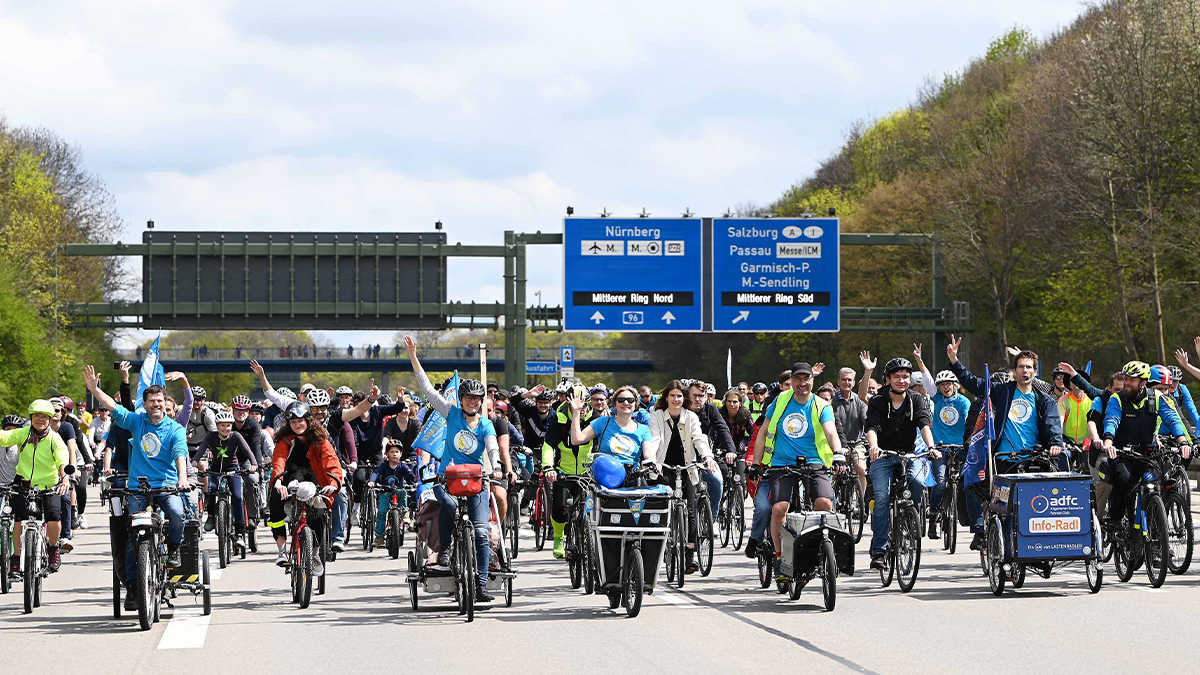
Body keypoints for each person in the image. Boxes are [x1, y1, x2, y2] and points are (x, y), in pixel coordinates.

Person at [82, 366, 189, 612]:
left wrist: (182, 478)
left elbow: (180, 453)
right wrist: (94, 390)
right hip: (137, 488)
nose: (156, 404)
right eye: (151, 401)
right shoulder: (136, 421)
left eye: (160, 400)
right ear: (144, 403)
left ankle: (173, 547)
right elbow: (112, 407)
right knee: (133, 538)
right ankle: (132, 586)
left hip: (166, 486)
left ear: (165, 403)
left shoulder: (175, 429)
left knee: (176, 513)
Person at [946, 336, 1063, 550]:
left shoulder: (1043, 400)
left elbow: (1053, 425)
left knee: (1041, 505)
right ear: (1015, 370)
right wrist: (954, 362)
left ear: (1035, 372)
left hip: (1034, 459)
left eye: (1029, 367)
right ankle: (1002, 548)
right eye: (1020, 367)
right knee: (1004, 507)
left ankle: (1040, 546)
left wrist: (1055, 444)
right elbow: (975, 384)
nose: (1025, 371)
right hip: (1003, 460)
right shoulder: (1002, 391)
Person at [406, 336, 498, 602]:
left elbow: (492, 447)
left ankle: (481, 585)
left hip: (476, 480)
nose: (472, 402)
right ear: (461, 399)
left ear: (481, 401)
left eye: (477, 399)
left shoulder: (486, 424)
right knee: (448, 506)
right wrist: (414, 356)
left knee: (481, 532)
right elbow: (427, 390)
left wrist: (498, 466)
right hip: (448, 478)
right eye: (468, 398)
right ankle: (445, 549)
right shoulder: (451, 413)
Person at [750, 363, 842, 579]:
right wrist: (755, 464)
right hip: (782, 463)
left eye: (806, 379)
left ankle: (821, 550)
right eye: (798, 379)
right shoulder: (779, 402)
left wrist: (837, 453)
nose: (802, 383)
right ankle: (781, 558)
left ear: (813, 380)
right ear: (791, 381)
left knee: (824, 504)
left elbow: (830, 432)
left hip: (814, 462)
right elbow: (763, 433)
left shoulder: (821, 405)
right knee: (780, 508)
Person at [864, 357, 940, 570]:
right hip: (883, 456)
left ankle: (908, 520)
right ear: (888, 379)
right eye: (896, 376)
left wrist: (931, 447)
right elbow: (871, 427)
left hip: (909, 454)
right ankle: (879, 550)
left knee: (917, 480)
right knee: (881, 498)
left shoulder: (916, 399)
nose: (902, 380)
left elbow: (924, 423)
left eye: (905, 376)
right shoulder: (879, 401)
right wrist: (874, 447)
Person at [1101, 361, 1191, 528]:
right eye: (1126, 378)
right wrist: (1108, 441)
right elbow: (1111, 419)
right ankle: (1117, 520)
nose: (1126, 383)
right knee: (1124, 479)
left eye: (1131, 380)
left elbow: (1173, 419)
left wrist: (1183, 441)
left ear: (1143, 383)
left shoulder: (1156, 397)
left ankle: (1157, 535)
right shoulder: (1117, 398)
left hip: (1149, 454)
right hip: (1122, 453)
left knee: (1155, 488)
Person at [649, 380, 717, 573]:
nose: (676, 399)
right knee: (661, 506)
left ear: (683, 398)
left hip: (687, 466)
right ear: (666, 398)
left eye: (680, 396)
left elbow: (699, 438)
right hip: (664, 466)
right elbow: (654, 438)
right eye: (672, 396)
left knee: (690, 510)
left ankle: (689, 555)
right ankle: (660, 547)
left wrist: (707, 456)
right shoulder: (658, 416)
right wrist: (652, 458)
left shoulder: (691, 417)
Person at [267, 401, 343, 574]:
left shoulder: (320, 438)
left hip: (315, 479)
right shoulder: (285, 439)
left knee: (317, 512)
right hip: (289, 478)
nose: (297, 425)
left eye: (300, 421)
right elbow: (279, 460)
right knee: (275, 500)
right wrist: (278, 482)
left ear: (308, 420)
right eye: (293, 422)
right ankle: (282, 551)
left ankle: (314, 553)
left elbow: (331, 461)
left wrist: (333, 483)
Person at [3, 400, 69, 576]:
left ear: (49, 419)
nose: (40, 419)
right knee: (19, 518)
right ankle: (16, 558)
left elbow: (62, 459)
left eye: (44, 416)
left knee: (54, 516)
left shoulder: (55, 438)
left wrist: (65, 478)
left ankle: (53, 549)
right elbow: (5, 438)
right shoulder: (22, 433)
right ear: (31, 417)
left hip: (50, 484)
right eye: (37, 416)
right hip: (24, 482)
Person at [542, 382, 597, 559]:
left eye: (583, 406)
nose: (579, 410)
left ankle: (591, 537)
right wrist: (548, 467)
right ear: (567, 403)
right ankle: (558, 537)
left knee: (593, 507)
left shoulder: (595, 419)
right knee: (559, 504)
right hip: (563, 470)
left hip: (587, 472)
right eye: (574, 406)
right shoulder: (558, 420)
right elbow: (548, 446)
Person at [193, 411, 258, 544]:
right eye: (222, 425)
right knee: (211, 489)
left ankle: (240, 532)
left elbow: (248, 451)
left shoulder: (236, 436)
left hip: (232, 469)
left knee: (238, 496)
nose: (225, 428)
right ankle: (211, 516)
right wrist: (194, 465)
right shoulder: (210, 436)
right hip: (215, 469)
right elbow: (199, 453)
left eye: (228, 425)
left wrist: (254, 464)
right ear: (217, 426)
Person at [569, 385, 655, 474]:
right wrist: (576, 412)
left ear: (635, 404)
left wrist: (653, 463)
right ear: (615, 404)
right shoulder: (602, 422)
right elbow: (576, 440)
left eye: (630, 400)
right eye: (621, 400)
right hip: (605, 477)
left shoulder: (643, 429)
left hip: (632, 478)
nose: (626, 403)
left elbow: (649, 454)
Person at [686, 380, 729, 523]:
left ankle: (711, 520)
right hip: (684, 458)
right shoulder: (682, 409)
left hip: (706, 456)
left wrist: (731, 450)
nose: (698, 399)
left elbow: (722, 428)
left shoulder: (711, 409)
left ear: (706, 397)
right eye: (694, 395)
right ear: (688, 396)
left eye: (701, 395)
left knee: (717, 480)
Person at [367, 441, 416, 547]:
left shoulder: (403, 466)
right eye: (392, 452)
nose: (394, 454)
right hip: (385, 492)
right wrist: (372, 481)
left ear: (401, 454)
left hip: (398, 491)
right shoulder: (384, 465)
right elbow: (376, 473)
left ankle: (404, 512)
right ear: (387, 454)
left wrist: (415, 482)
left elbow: (410, 475)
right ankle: (379, 537)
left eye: (397, 452)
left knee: (403, 492)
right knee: (381, 513)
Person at [720, 388, 753, 484]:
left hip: (740, 448)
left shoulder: (745, 414)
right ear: (725, 402)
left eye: (735, 402)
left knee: (742, 481)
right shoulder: (719, 414)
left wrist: (750, 446)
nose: (732, 404)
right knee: (723, 478)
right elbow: (713, 433)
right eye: (729, 401)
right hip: (723, 448)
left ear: (740, 403)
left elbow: (753, 432)